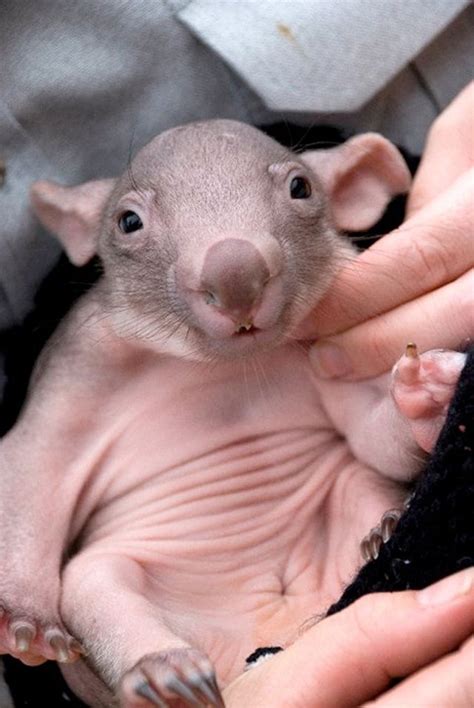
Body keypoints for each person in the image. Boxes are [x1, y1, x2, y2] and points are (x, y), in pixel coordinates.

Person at [0, 2, 472, 705]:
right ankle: (150, 669)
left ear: (356, 186)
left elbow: (372, 434)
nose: (233, 278)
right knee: (95, 581)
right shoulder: (100, 346)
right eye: (130, 225)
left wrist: (419, 408)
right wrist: (21, 600)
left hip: (356, 566)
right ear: (85, 229)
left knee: (371, 489)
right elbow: (29, 464)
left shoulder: (326, 302)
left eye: (298, 192)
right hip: (169, 599)